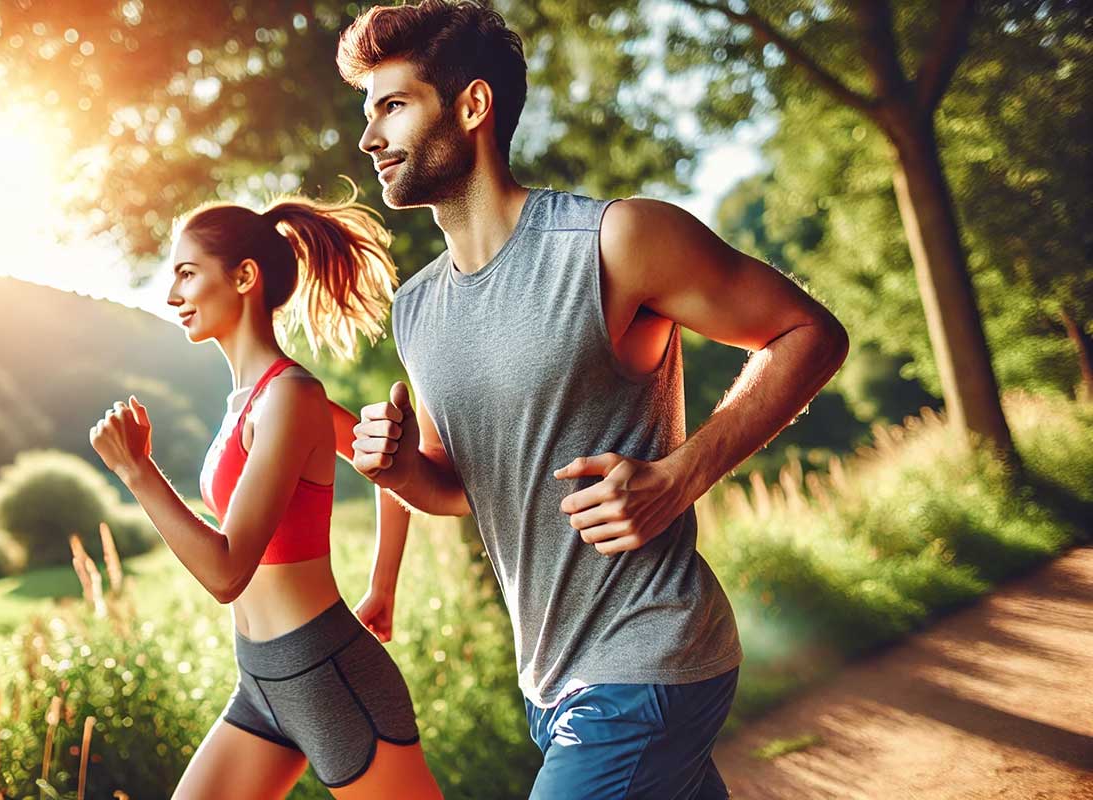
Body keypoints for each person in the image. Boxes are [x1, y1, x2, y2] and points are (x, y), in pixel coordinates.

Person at [337, 2, 849, 798]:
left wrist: (681, 475)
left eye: (393, 106)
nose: (370, 138)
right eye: (369, 114)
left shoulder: (615, 241)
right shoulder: (417, 310)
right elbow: (456, 487)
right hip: (549, 680)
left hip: (650, 656)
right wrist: (401, 469)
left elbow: (809, 334)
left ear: (472, 106)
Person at [89, 183, 442, 799]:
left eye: (188, 274)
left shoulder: (291, 395)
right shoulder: (249, 403)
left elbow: (227, 573)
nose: (173, 295)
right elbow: (385, 467)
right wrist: (380, 590)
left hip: (330, 679)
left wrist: (138, 472)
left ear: (244, 276)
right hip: (261, 682)